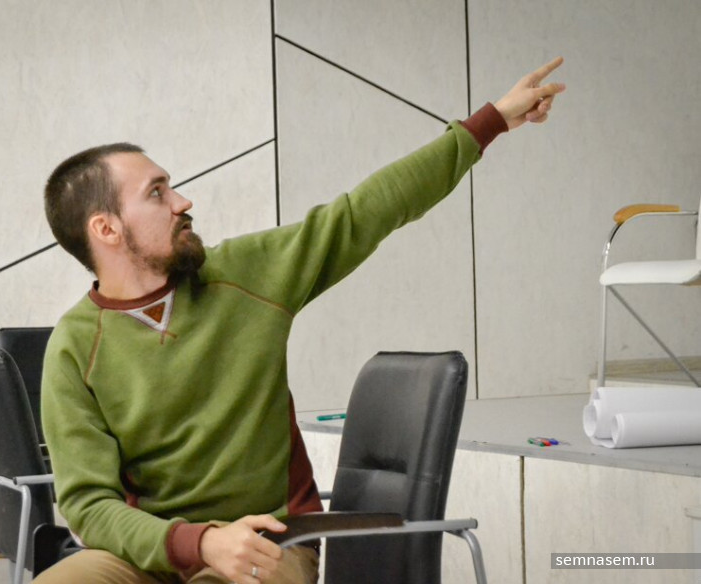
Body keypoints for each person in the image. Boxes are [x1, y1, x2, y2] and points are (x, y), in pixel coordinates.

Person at [34, 57, 566, 584]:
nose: (182, 201)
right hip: (154, 553)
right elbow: (90, 506)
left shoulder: (245, 274)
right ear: (106, 229)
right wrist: (198, 542)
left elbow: (370, 209)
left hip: (274, 540)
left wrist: (491, 122)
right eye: (157, 193)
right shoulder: (75, 347)